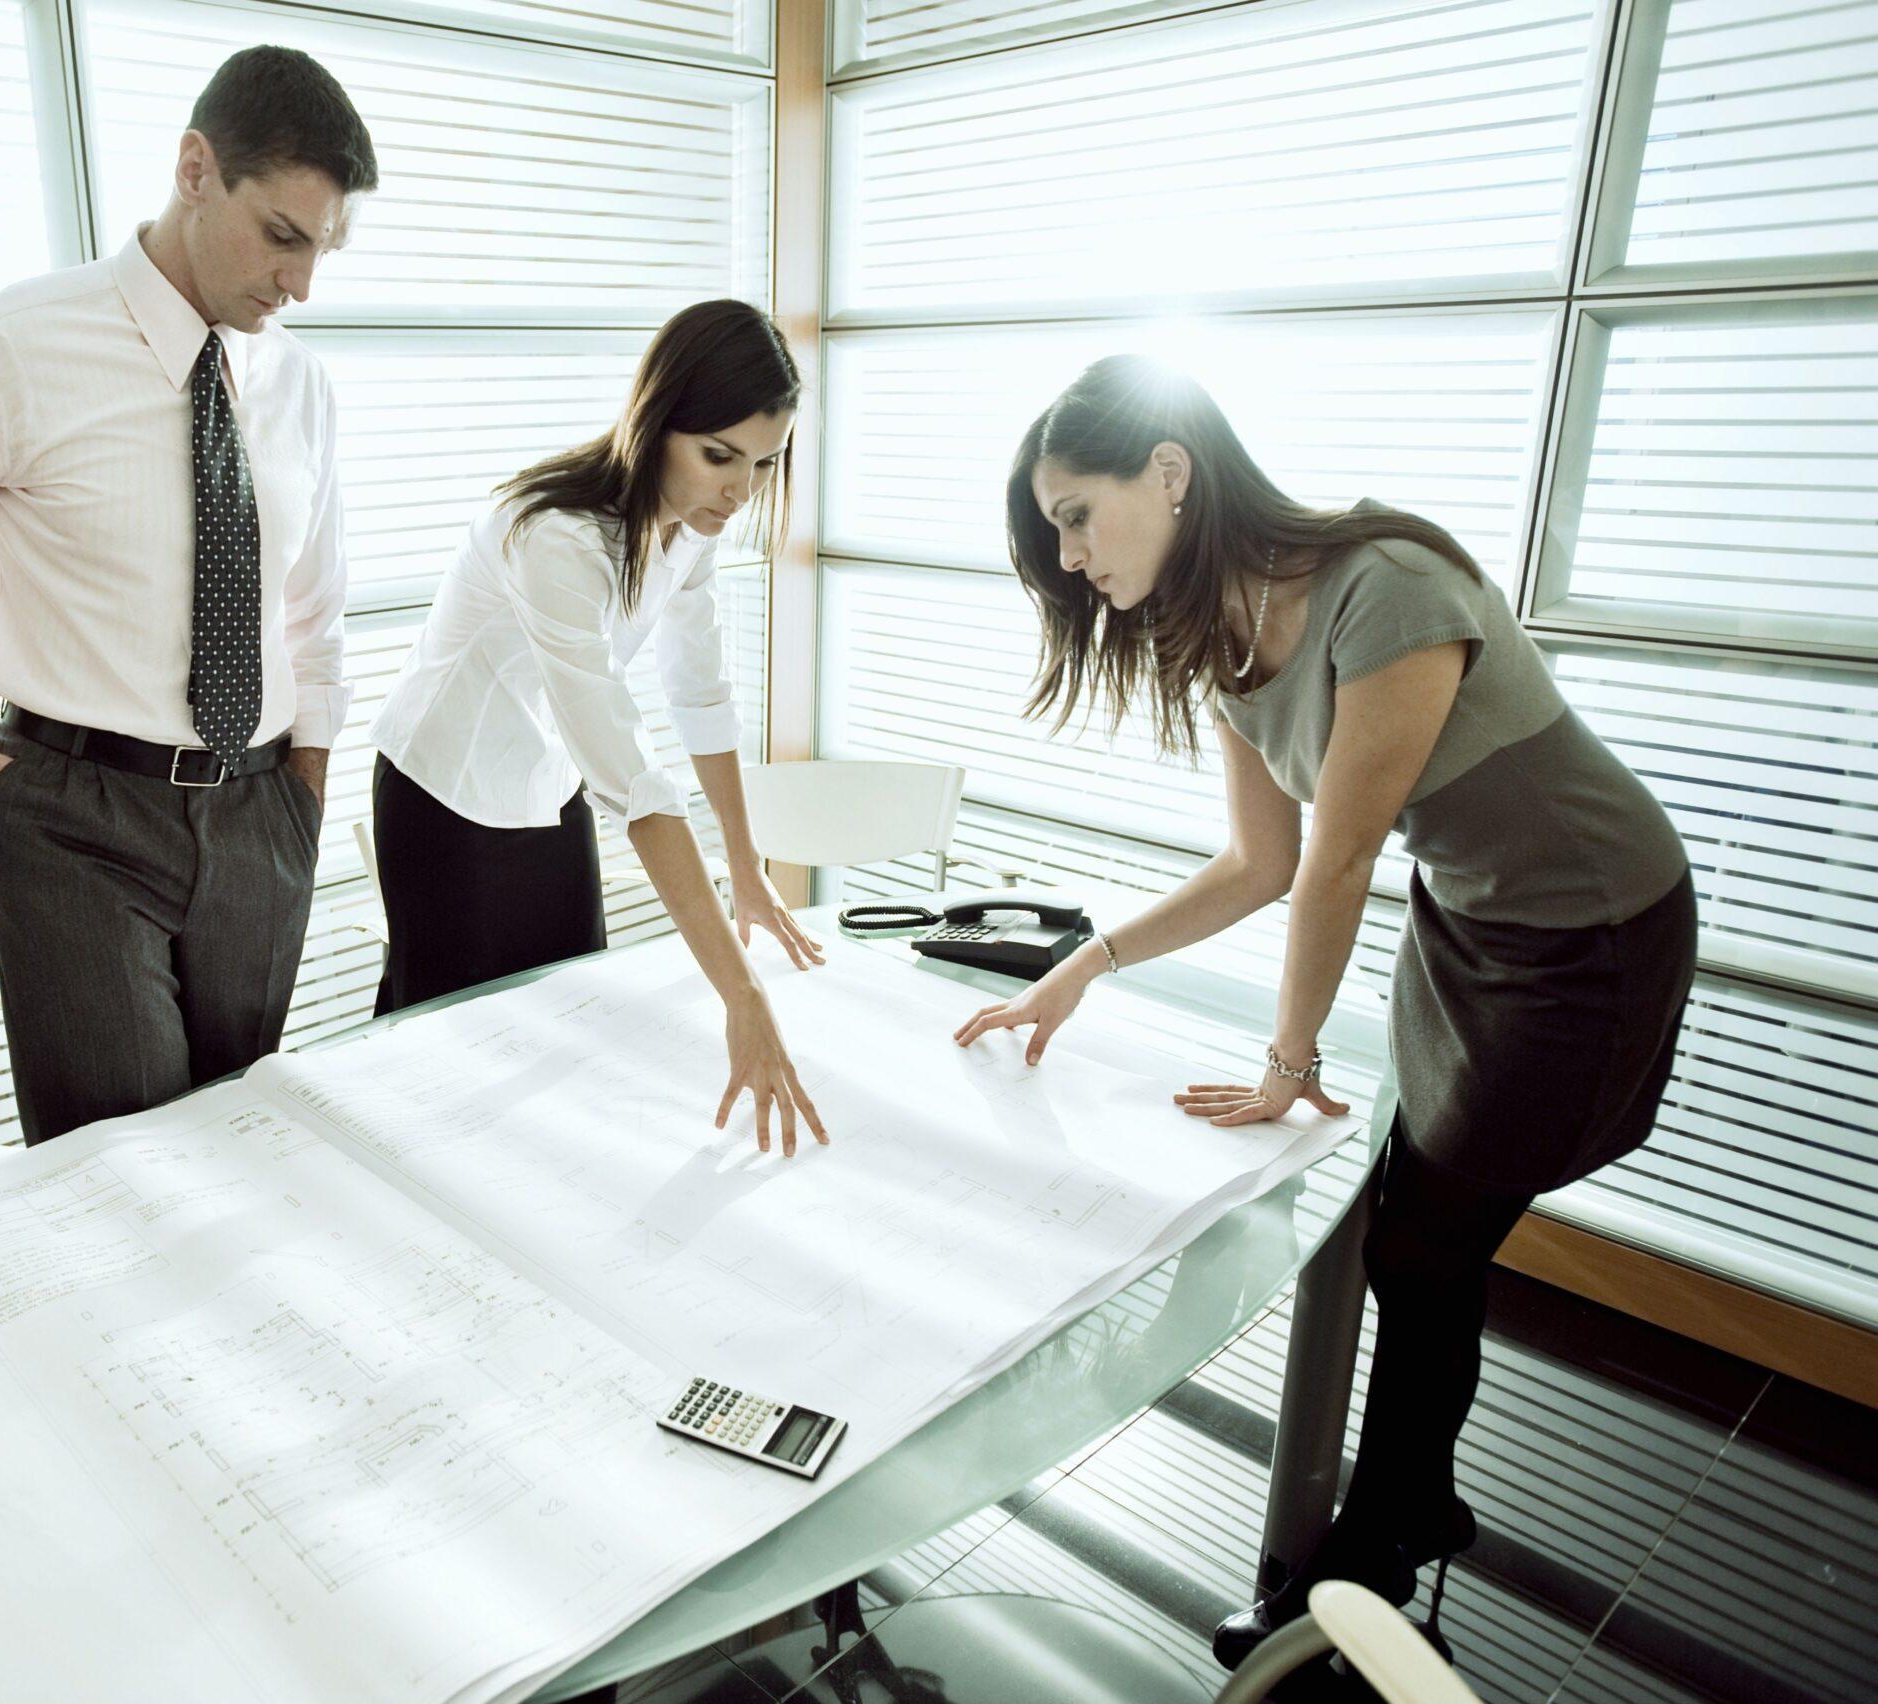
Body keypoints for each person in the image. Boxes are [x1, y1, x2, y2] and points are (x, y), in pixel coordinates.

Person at [953, 354, 1695, 1663]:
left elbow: (1344, 853)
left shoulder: (1387, 584)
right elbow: (1263, 865)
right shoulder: (1221, 641)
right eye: (1052, 530)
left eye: (1077, 514)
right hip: (1469, 921)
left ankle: (1374, 1550)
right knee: (1418, 1221)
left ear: (1168, 474)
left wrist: (1287, 1058)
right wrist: (1084, 962)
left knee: (1421, 1235)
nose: (1069, 558)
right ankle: (1418, 1504)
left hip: (1596, 930)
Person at [0, 47, 378, 1145]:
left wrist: (302, 790)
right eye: (282, 237)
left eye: (325, 250)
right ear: (196, 169)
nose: (300, 284)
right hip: (76, 823)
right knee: (112, 1179)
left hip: (261, 819)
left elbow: (315, 608)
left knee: (240, 1147)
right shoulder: (9, 347)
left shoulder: (297, 382)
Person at [367, 300, 830, 1157]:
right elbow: (634, 781)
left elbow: (699, 693)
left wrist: (745, 869)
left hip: (546, 779)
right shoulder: (556, 535)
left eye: (764, 463)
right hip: (443, 788)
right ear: (657, 423)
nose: (741, 489)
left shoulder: (692, 528)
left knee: (572, 1018)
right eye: (719, 456)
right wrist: (743, 997)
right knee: (445, 1051)